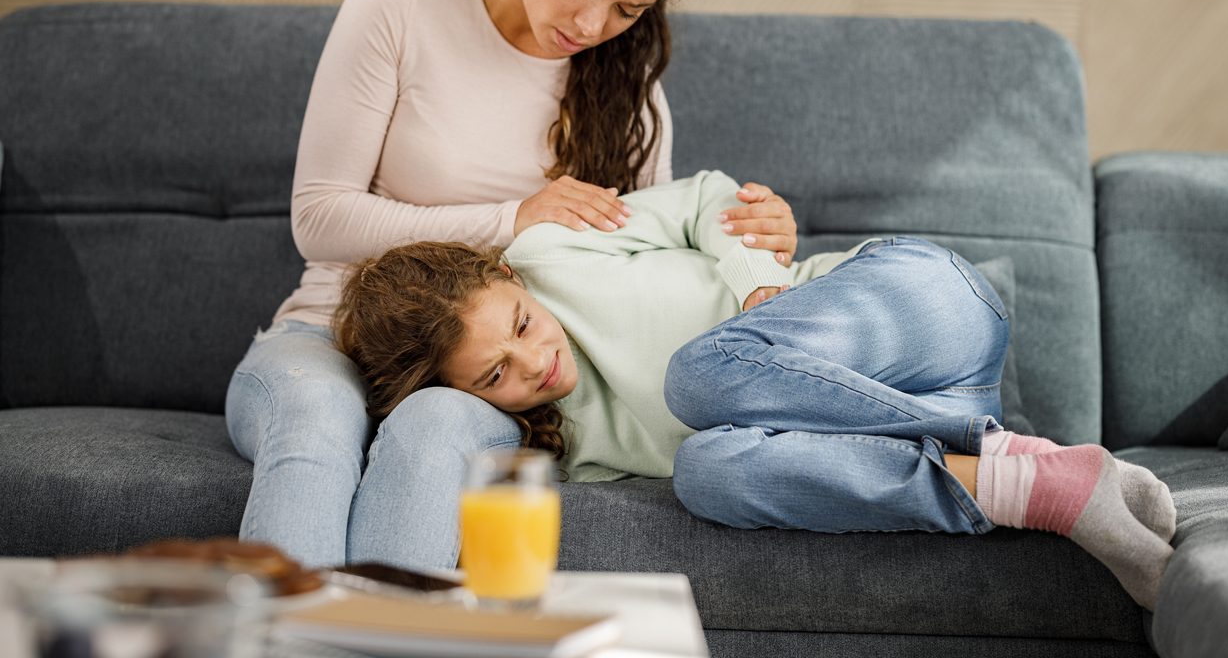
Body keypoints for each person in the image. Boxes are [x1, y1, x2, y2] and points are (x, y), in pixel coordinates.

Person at [225, 0, 800, 570]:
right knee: (316, 419)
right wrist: (513, 217)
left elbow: (648, 261)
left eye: (628, 8)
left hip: (494, 382)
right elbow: (320, 218)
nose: (592, 28)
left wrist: (755, 230)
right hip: (329, 337)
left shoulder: (630, 92)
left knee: (435, 425)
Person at [334, 171, 1178, 610]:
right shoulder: (559, 445)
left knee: (695, 376)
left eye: (520, 324)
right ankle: (1033, 481)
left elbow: (710, 202)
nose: (534, 360)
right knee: (707, 472)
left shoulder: (555, 247)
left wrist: (757, 289)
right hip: (935, 397)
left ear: (505, 278)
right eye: (494, 378)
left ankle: (990, 446)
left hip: (919, 308)